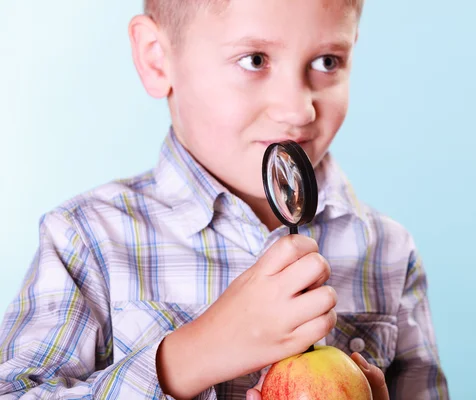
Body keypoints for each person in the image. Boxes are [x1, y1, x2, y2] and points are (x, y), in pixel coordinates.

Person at [0, 0, 449, 398]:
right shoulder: (87, 239)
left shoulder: (388, 252)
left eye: (328, 61)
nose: (298, 109)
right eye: (255, 60)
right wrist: (195, 356)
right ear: (157, 59)